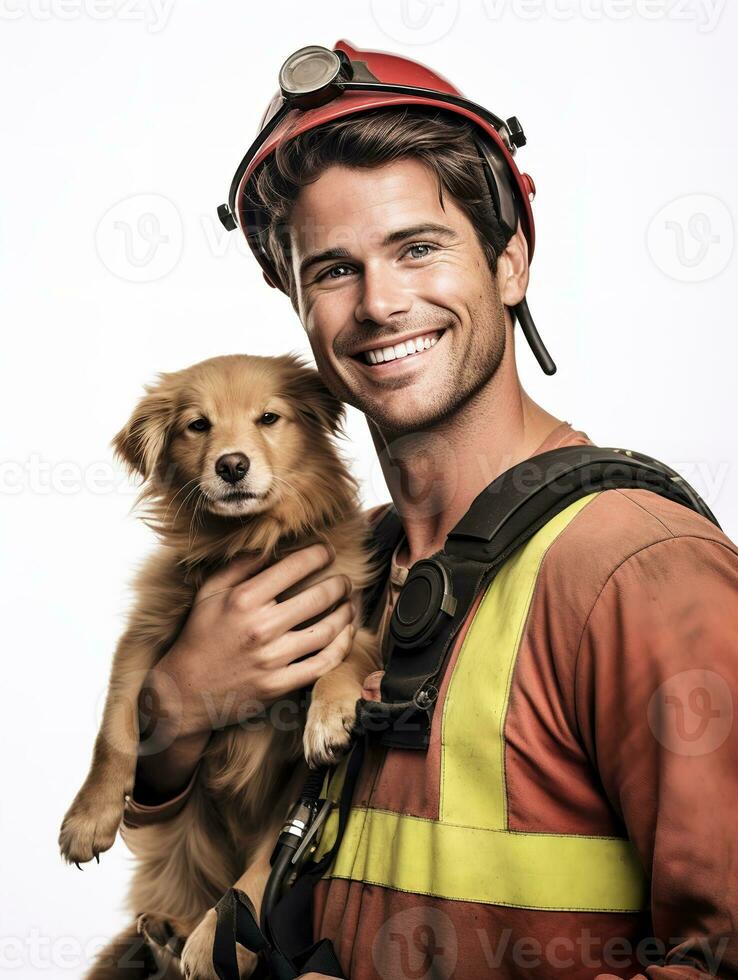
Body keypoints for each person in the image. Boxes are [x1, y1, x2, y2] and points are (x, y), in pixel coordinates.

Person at [123, 42, 738, 980]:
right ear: (295, 302)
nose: (379, 303)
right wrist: (172, 714)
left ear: (511, 262)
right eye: (332, 270)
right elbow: (198, 878)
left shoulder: (636, 567)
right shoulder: (342, 576)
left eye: (418, 248)